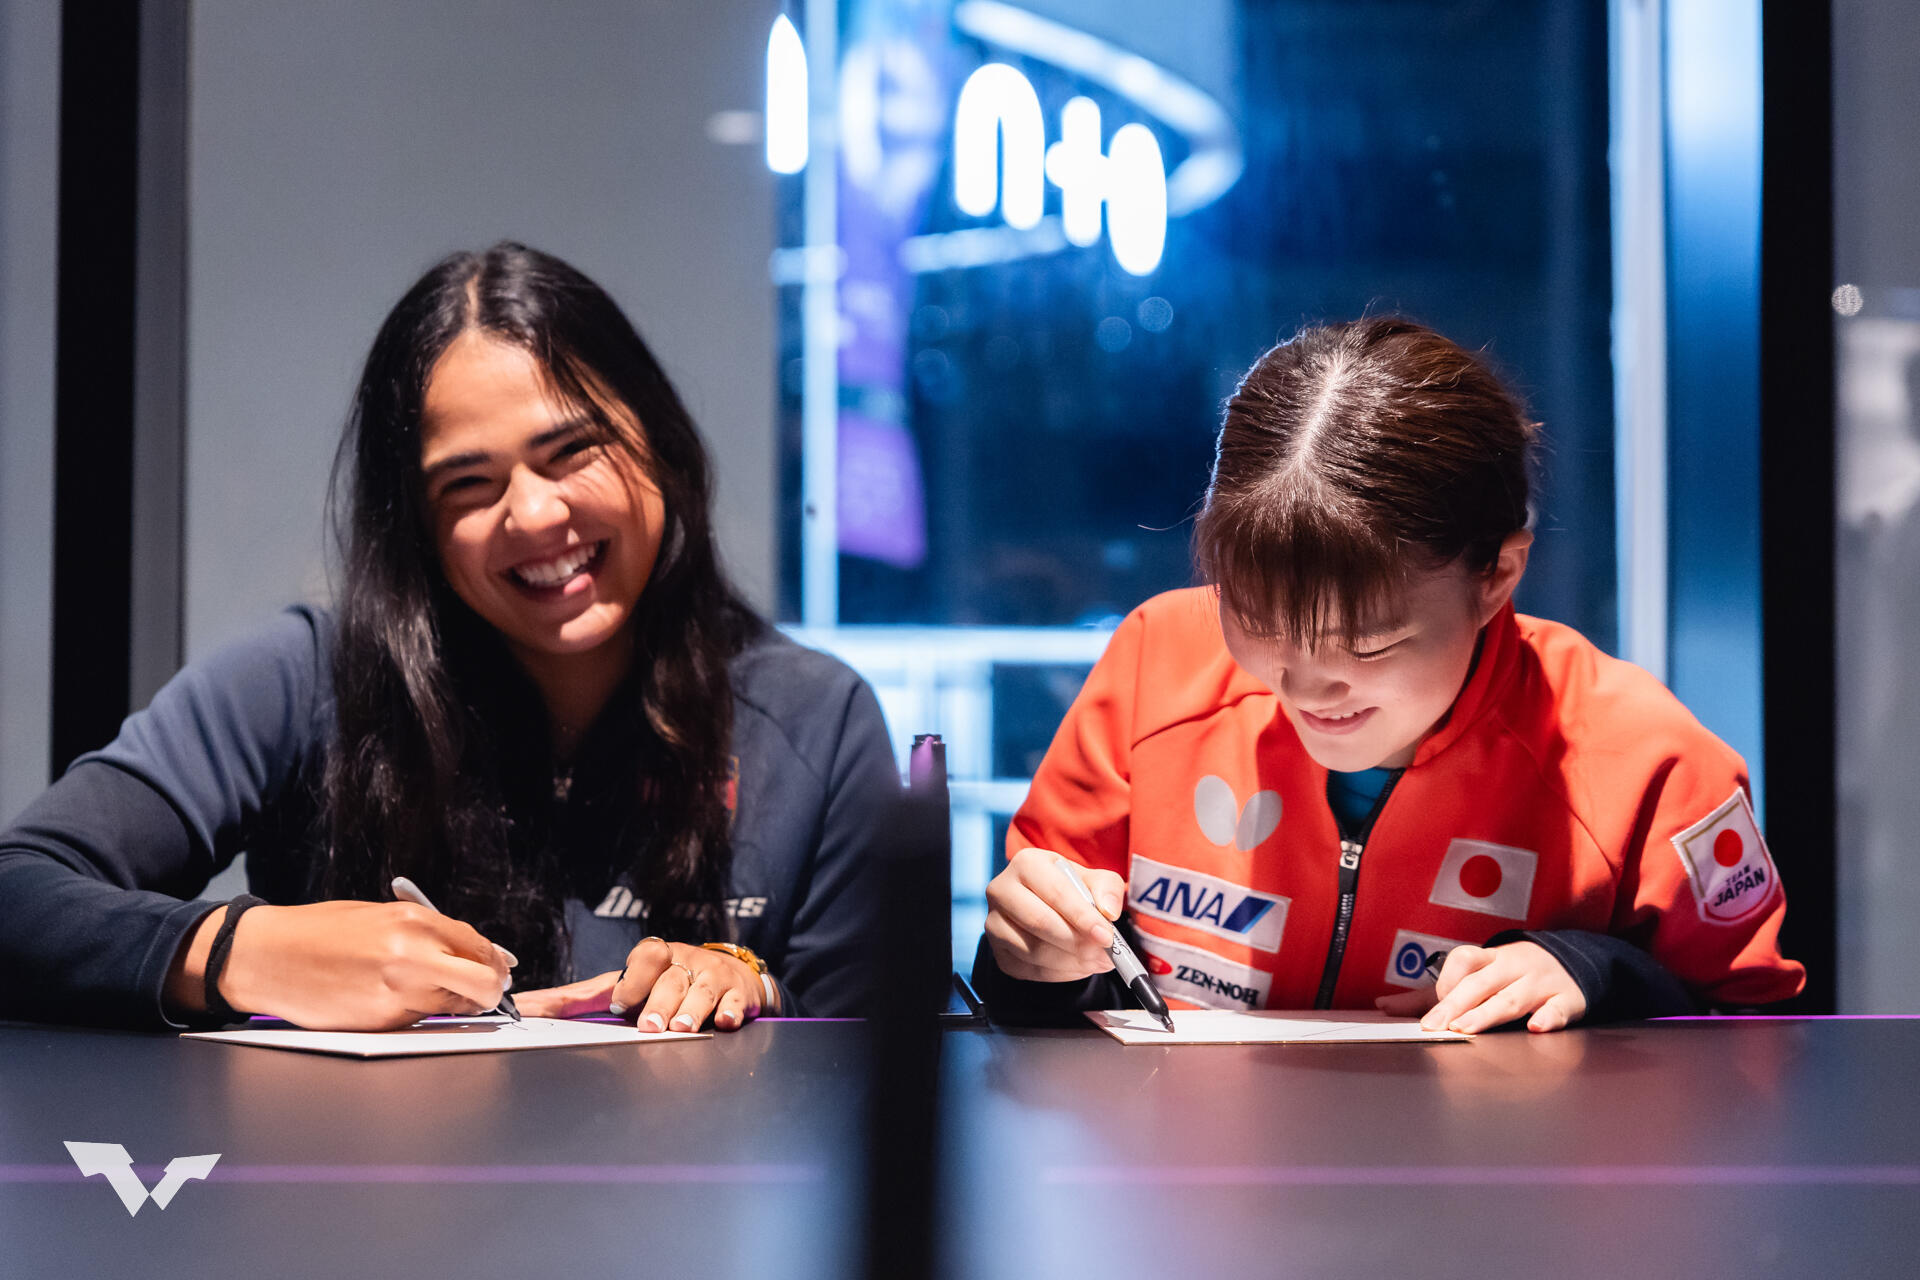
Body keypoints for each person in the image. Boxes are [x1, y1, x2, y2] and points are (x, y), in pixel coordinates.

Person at [0, 242, 897, 1032]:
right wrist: (244, 949)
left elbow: (882, 1077)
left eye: (572, 451)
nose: (535, 514)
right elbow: (21, 889)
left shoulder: (813, 719)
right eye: (468, 484)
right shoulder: (307, 677)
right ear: (416, 527)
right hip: (356, 1211)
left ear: (660, 444)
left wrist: (754, 991)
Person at [974, 317, 1804, 1033]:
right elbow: (1036, 992)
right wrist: (1031, 957)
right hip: (1181, 1196)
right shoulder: (1157, 659)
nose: (1303, 687)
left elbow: (1758, 1041)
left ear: (1497, 576)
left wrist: (1599, 974)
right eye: (1257, 623)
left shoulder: (1649, 765)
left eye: (1366, 645)